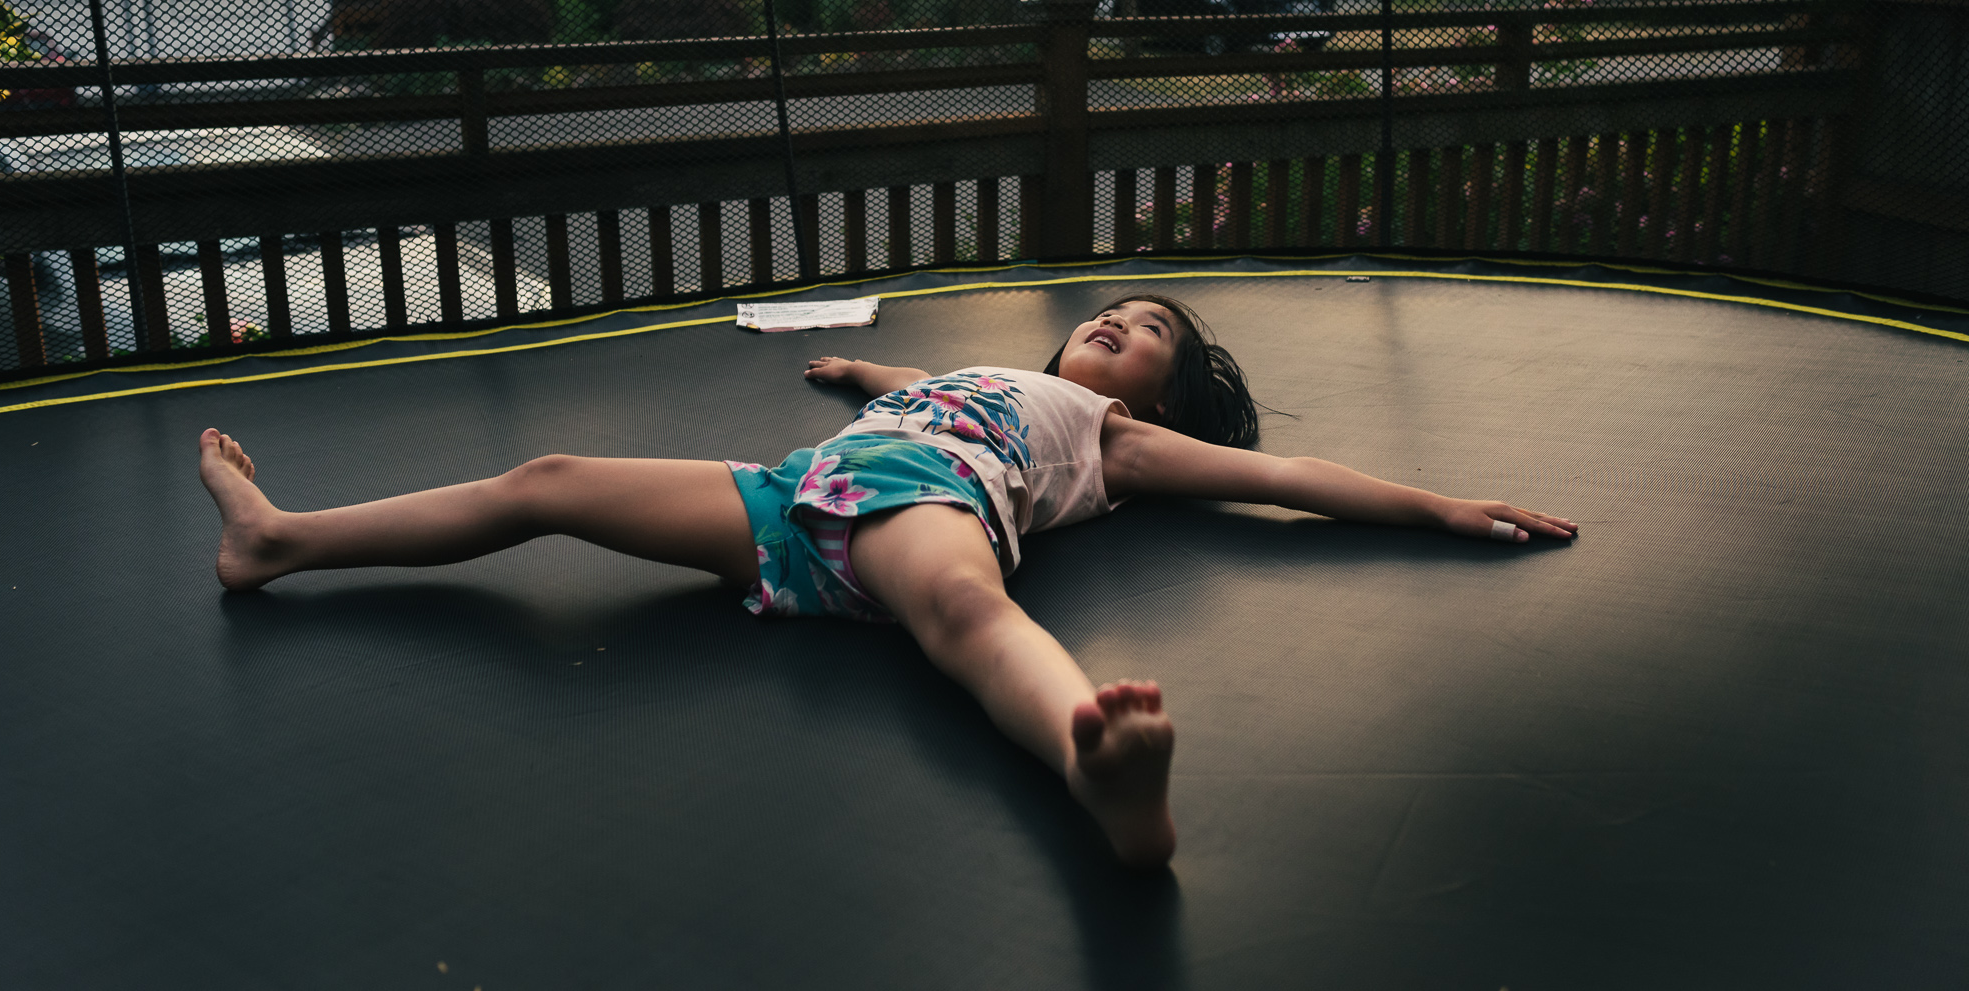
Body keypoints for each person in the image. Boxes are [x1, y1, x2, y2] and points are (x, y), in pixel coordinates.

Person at [198, 294, 1575, 867]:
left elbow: (1292, 481)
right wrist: (860, 373)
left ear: (1172, 392)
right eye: (1117, 310)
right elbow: (908, 383)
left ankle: (1093, 765)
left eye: (1153, 332)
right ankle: (282, 538)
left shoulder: (1119, 438)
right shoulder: (995, 374)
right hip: (795, 500)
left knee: (972, 616)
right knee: (549, 479)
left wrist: (1446, 507)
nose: (1122, 322)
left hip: (927, 510)